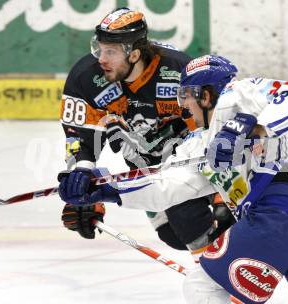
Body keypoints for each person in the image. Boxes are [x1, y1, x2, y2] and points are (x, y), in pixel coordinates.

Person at [58, 55, 288, 303]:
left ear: (204, 94)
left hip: (281, 213)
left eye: (185, 96)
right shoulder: (198, 146)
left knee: (204, 287)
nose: (182, 106)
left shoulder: (238, 95)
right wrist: (104, 189)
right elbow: (165, 186)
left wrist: (252, 127)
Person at [58, 7, 235, 259]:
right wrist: (83, 184)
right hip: (147, 170)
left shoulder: (177, 71)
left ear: (134, 54)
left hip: (194, 162)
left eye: (111, 51)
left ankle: (221, 275)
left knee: (189, 215)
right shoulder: (86, 78)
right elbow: (80, 137)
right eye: (99, 48)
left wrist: (223, 193)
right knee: (172, 235)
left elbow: (216, 130)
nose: (101, 59)